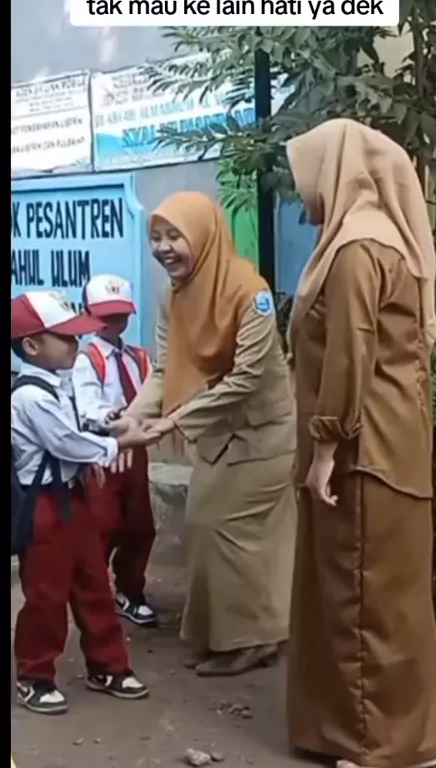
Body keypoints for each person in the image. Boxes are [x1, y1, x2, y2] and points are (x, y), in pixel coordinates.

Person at [285, 118, 436, 768]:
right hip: (393, 445)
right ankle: (404, 737)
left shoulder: (356, 248)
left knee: (361, 595)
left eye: (308, 176)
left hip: (362, 454)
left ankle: (372, 743)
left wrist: (326, 449)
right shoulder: (391, 241)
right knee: (392, 599)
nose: (305, 193)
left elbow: (350, 355)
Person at [126, 191, 297, 677]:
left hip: (264, 433)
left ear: (203, 235)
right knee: (206, 526)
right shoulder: (173, 297)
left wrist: (175, 420)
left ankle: (253, 639)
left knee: (227, 529)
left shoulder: (249, 291)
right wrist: (133, 415)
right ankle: (229, 634)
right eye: (156, 237)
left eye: (174, 235)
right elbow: (165, 369)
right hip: (218, 432)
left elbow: (247, 377)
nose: (163, 247)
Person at [11, 290, 154, 715]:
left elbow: (82, 420)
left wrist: (111, 422)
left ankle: (108, 666)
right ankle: (35, 675)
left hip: (74, 499)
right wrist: (120, 442)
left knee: (94, 584)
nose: (75, 344)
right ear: (32, 345)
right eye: (65, 337)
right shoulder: (28, 396)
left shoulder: (61, 382)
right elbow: (67, 442)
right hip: (44, 504)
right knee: (46, 595)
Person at [72, 274, 156, 626]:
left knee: (140, 526)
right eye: (105, 315)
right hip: (103, 450)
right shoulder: (86, 359)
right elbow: (87, 405)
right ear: (86, 314)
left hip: (135, 450)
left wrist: (144, 424)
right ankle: (92, 594)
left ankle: (130, 590)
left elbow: (154, 394)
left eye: (120, 315)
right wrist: (116, 420)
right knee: (102, 526)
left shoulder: (139, 357)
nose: (113, 322)